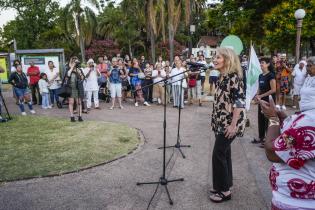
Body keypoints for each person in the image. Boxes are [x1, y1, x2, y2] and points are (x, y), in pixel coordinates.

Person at [258, 56, 315, 210]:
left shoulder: (310, 122)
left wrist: (273, 119)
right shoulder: (308, 117)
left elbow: (273, 152)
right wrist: (284, 118)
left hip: (297, 203)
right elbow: (296, 139)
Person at [210, 47, 246, 203]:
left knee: (218, 153)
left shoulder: (233, 77)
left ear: (227, 59)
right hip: (220, 121)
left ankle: (224, 191)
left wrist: (233, 125)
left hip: (230, 122)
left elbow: (239, 103)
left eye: (218, 57)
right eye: (214, 57)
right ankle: (224, 184)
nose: (214, 60)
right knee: (224, 153)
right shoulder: (221, 76)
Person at [252, 57, 276, 147]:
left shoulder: (271, 75)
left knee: (267, 121)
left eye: (262, 63)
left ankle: (268, 140)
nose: (261, 64)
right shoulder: (261, 75)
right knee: (260, 118)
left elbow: (273, 90)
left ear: (268, 64)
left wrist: (261, 96)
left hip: (269, 101)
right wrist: (256, 96)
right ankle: (261, 137)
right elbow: (259, 88)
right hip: (261, 101)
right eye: (260, 63)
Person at [65, 56, 85, 122]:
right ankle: (72, 117)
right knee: (71, 102)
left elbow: (83, 78)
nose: (75, 63)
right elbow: (68, 75)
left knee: (79, 102)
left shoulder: (79, 69)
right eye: (73, 61)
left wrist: (79, 72)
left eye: (75, 62)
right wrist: (72, 67)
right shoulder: (68, 69)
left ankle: (80, 116)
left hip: (78, 88)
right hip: (71, 88)